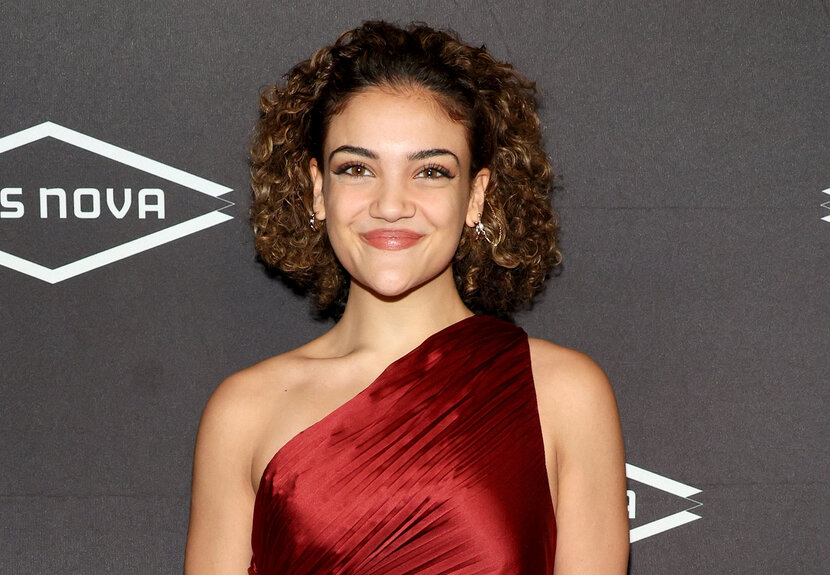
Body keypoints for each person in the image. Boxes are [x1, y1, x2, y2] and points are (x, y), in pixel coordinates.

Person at [185, 21, 628, 575]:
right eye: (357, 168)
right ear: (319, 189)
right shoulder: (244, 412)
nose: (391, 204)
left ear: (476, 195)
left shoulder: (563, 395)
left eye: (430, 171)